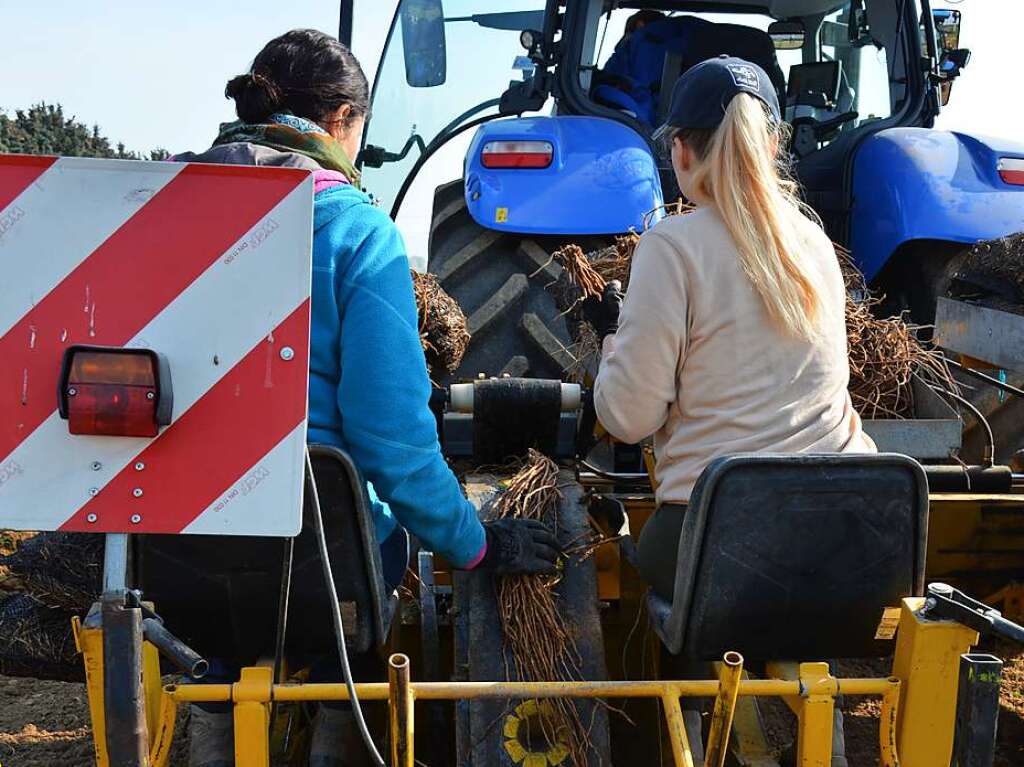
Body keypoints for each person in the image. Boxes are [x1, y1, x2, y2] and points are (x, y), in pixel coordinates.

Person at [176, 29, 558, 767]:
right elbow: (393, 445)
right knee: (346, 586)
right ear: (345, 122)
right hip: (319, 558)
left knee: (224, 621)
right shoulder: (355, 230)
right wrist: (476, 543)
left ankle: (213, 724)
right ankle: (335, 724)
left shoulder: (154, 215)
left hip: (176, 556)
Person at [587, 56, 876, 602]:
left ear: (680, 151)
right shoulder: (815, 244)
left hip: (715, 542)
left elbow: (628, 419)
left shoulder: (670, 247)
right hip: (848, 532)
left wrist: (611, 346)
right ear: (771, 147)